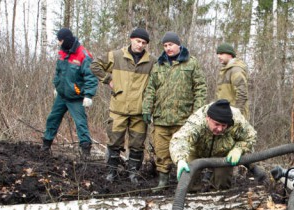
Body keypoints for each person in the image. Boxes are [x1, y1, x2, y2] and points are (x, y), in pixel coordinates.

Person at [170, 99, 256, 210]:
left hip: (223, 152)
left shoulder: (237, 121)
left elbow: (251, 137)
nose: (220, 129)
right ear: (208, 119)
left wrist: (239, 149)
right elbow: (180, 140)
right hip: (197, 151)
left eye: (224, 125)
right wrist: (180, 160)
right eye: (216, 124)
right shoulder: (197, 121)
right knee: (189, 180)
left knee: (222, 183)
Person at [142, 31, 206, 191]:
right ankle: (162, 182)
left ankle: (189, 184)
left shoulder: (191, 63)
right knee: (161, 152)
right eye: (165, 45)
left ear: (178, 44)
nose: (168, 48)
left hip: (184, 119)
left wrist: (197, 113)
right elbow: (150, 89)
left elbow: (200, 88)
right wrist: (146, 108)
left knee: (187, 152)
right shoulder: (159, 65)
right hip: (161, 118)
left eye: (170, 45)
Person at [91, 28, 154, 183]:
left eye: (144, 43)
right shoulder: (117, 56)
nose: (140, 45)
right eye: (138, 41)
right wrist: (108, 79)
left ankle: (133, 174)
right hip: (118, 108)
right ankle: (111, 172)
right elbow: (94, 65)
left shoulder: (152, 61)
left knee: (137, 145)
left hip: (139, 111)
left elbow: (157, 83)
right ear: (131, 39)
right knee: (114, 141)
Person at [41, 28, 98, 158]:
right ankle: (45, 146)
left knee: (80, 124)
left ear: (66, 39)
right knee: (52, 119)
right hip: (62, 96)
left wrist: (88, 95)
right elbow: (59, 71)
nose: (59, 43)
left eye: (60, 40)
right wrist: (57, 86)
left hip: (76, 97)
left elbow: (91, 76)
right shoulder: (62, 53)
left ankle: (85, 152)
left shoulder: (84, 55)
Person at [216, 43, 249, 119]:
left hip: (233, 116)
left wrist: (236, 116)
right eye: (218, 54)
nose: (218, 56)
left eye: (221, 53)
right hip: (225, 114)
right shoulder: (225, 70)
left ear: (230, 54)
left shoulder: (236, 70)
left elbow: (242, 95)